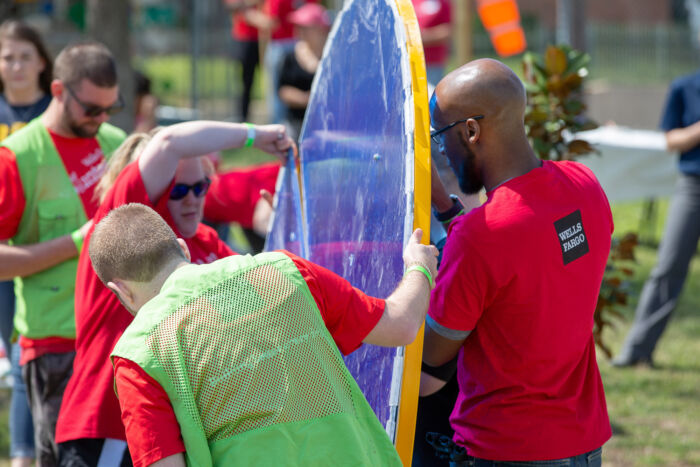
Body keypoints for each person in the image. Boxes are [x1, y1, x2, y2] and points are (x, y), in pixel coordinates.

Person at [87, 202, 437, 466]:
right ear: (183, 247)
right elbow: (402, 324)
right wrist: (419, 266)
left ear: (120, 291)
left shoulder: (139, 354)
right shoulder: (286, 270)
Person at [56, 120, 291, 466]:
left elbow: (260, 299)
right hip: (109, 426)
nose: (193, 200)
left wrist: (275, 236)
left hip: (168, 434)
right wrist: (256, 135)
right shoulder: (121, 235)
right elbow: (168, 142)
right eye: (179, 191)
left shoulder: (205, 242)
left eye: (201, 187)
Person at [421, 59, 612, 465]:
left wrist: (415, 273)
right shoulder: (584, 186)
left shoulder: (481, 238)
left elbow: (434, 352)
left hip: (505, 448)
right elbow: (528, 259)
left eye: (441, 137)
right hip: (582, 443)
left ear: (471, 131)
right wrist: (445, 207)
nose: (442, 151)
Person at [0, 41, 126, 465]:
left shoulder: (116, 144)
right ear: (57, 90)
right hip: (57, 349)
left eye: (110, 108)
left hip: (121, 341)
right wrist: (76, 241)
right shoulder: (18, 157)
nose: (102, 120)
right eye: (91, 109)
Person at [612, 69, 700, 368]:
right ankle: (637, 349)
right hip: (693, 187)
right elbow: (670, 139)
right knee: (668, 266)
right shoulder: (684, 86)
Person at [0, 19, 53, 467]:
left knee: (26, 359)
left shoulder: (54, 114)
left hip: (47, 255)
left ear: (41, 62)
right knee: (19, 364)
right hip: (3, 257)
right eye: (7, 57)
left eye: (24, 56)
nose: (15, 65)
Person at [277, 2, 330, 139]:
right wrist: (306, 99)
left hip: (327, 124)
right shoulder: (290, 57)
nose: (300, 31)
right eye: (299, 26)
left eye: (305, 27)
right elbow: (283, 90)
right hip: (296, 124)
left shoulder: (332, 59)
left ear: (321, 29)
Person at [224, 0, 261, 121]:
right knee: (245, 82)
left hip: (265, 39)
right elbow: (232, 5)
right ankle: (243, 117)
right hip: (245, 39)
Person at [411, 0, 451, 88]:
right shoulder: (409, 2)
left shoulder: (442, 3)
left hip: (432, 65)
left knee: (431, 97)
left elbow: (447, 31)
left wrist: (420, 38)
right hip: (409, 62)